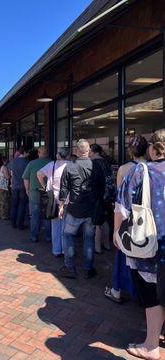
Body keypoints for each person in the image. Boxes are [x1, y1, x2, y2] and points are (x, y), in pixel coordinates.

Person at [115, 130, 165, 360]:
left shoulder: (139, 171)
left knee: (151, 294)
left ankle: (152, 344)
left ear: (152, 149)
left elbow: (122, 208)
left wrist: (117, 234)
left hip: (150, 245)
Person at [105, 135, 148, 304]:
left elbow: (120, 199)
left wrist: (116, 229)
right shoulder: (151, 168)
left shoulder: (124, 169)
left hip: (127, 218)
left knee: (123, 256)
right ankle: (140, 293)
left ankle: (117, 290)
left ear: (130, 151)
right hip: (145, 219)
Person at [58, 139, 96, 279]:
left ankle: (70, 267)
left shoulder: (69, 167)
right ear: (88, 151)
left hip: (74, 208)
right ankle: (88, 268)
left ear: (76, 151)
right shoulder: (95, 166)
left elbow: (63, 189)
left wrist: (61, 206)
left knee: (68, 237)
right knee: (89, 239)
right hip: (90, 209)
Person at [37, 148, 70, 256]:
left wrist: (45, 187)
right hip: (67, 200)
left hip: (54, 200)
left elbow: (39, 174)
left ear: (58, 155)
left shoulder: (52, 165)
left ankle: (56, 250)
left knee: (55, 226)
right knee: (66, 226)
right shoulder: (71, 165)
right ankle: (65, 250)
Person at [89, 144, 115, 254]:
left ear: (93, 151)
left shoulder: (94, 163)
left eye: (89, 151)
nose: (88, 153)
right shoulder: (106, 162)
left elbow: (92, 181)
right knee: (105, 221)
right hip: (108, 196)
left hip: (97, 196)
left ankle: (97, 248)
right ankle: (107, 244)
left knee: (97, 223)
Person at [22, 146, 51, 242]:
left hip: (34, 193)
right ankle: (48, 236)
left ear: (39, 153)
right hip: (48, 194)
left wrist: (27, 189)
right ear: (47, 153)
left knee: (34, 216)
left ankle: (34, 236)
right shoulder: (52, 163)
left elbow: (26, 178)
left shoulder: (32, 163)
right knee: (47, 216)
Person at [9, 147, 29, 229]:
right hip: (23, 186)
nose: (28, 154)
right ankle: (20, 224)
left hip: (14, 186)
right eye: (28, 152)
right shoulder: (27, 162)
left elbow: (11, 174)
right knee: (22, 205)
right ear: (24, 152)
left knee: (14, 205)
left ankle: (13, 222)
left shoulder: (13, 161)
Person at [0, 155, 10, 219]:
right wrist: (10, 175)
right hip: (3, 186)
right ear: (5, 160)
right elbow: (7, 177)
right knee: (4, 200)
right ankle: (3, 215)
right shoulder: (4, 167)